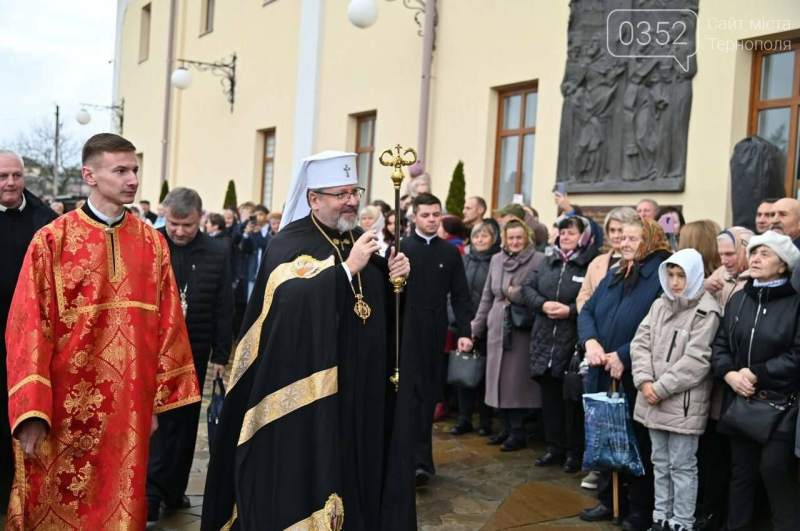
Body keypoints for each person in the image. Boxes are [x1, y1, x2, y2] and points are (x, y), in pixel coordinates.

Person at [201, 151, 415, 531]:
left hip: (361, 383)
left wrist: (394, 275)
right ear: (314, 199)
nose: (351, 201)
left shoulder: (358, 240)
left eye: (354, 191)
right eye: (340, 194)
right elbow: (288, 303)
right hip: (312, 384)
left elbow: (376, 303)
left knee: (360, 463)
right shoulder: (289, 242)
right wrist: (348, 269)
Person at [4, 134, 201, 529]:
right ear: (89, 175)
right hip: (62, 405)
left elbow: (169, 323)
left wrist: (158, 400)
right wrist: (30, 407)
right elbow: (27, 326)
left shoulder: (152, 243)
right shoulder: (51, 241)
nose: (132, 180)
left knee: (120, 501)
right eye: (121, 170)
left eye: (135, 171)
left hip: (128, 406)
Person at [579, 217, 673, 530]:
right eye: (622, 237)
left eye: (633, 237)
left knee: (636, 443)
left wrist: (623, 354)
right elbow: (589, 310)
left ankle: (638, 510)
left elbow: (659, 328)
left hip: (635, 373)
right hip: (602, 369)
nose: (625, 242)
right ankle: (608, 500)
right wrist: (590, 341)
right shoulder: (618, 271)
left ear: (650, 238)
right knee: (606, 435)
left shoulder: (662, 275)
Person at [147, 188, 234, 522]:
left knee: (185, 425)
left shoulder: (217, 251)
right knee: (157, 425)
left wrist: (221, 355)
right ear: (164, 216)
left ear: (200, 218)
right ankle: (151, 493)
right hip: (154, 352)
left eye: (188, 225)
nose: (180, 231)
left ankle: (173, 489)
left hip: (195, 352)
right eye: (174, 224)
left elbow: (223, 307)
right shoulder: (150, 244)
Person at [712, 231, 800, 531]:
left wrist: (757, 371)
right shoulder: (739, 299)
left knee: (775, 472)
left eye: (765, 254)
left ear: (783, 265)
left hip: (781, 405)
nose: (756, 258)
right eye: (754, 253)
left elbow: (797, 354)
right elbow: (720, 345)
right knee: (741, 475)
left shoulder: (795, 303)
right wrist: (729, 374)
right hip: (741, 401)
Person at [631, 249, 721, 531]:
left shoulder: (707, 310)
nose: (674, 282)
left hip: (682, 403)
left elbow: (697, 360)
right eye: (670, 275)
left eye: (681, 275)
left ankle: (681, 521)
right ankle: (661, 516)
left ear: (694, 275)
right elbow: (640, 343)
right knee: (659, 461)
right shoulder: (660, 305)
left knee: (682, 465)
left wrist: (660, 387)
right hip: (653, 398)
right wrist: (645, 382)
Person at [0, 150, 58, 514]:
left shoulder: (46, 222)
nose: (10, 183)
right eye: (3, 176)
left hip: (30, 339)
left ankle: (20, 495)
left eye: (16, 176)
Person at [402, 193, 473, 486]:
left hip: (434, 329)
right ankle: (401, 459)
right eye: (425, 215)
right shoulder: (400, 248)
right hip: (404, 329)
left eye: (436, 214)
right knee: (406, 393)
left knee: (427, 395)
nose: (431, 219)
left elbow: (460, 296)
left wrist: (466, 333)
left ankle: (421, 461)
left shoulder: (449, 253)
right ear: (415, 217)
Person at [523, 216, 599, 473]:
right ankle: (553, 448)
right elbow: (528, 288)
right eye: (562, 233)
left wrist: (570, 310)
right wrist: (542, 305)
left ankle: (574, 452)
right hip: (545, 339)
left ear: (584, 236)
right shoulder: (549, 260)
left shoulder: (590, 264)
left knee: (572, 401)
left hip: (573, 342)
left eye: (571, 233)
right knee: (550, 397)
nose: (565, 237)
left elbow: (594, 299)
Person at [471, 218, 543, 452]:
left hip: (521, 328)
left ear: (527, 238)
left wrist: (516, 292)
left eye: (518, 238)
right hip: (496, 325)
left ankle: (518, 431)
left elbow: (538, 294)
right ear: (504, 238)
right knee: (497, 379)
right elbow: (486, 297)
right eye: (510, 237)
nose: (514, 242)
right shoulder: (496, 259)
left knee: (516, 381)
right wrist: (475, 328)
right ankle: (504, 428)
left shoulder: (539, 260)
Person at [450, 220, 501, 437]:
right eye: (476, 235)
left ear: (493, 239)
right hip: (462, 326)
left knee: (484, 375)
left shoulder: (496, 262)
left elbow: (493, 297)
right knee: (463, 372)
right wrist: (459, 323)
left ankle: (485, 419)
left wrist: (478, 326)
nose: (480, 240)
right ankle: (464, 418)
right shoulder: (463, 260)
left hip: (486, 327)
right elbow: (453, 293)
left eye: (485, 236)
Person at [577, 207, 639, 313]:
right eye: (612, 230)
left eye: (620, 230)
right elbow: (584, 295)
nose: (616, 236)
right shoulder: (596, 262)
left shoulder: (638, 262)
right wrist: (587, 320)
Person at [703, 227, 753, 308]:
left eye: (729, 254)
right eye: (721, 254)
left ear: (747, 251)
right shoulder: (719, 273)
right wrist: (703, 288)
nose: (723, 261)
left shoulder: (759, 279)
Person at [240, 204, 271, 300]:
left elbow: (266, 247)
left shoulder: (271, 230)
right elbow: (245, 249)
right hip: (253, 272)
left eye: (261, 214)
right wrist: (246, 234)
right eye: (256, 215)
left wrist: (258, 233)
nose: (258, 217)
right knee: (251, 302)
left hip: (267, 273)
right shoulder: (253, 229)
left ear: (266, 216)